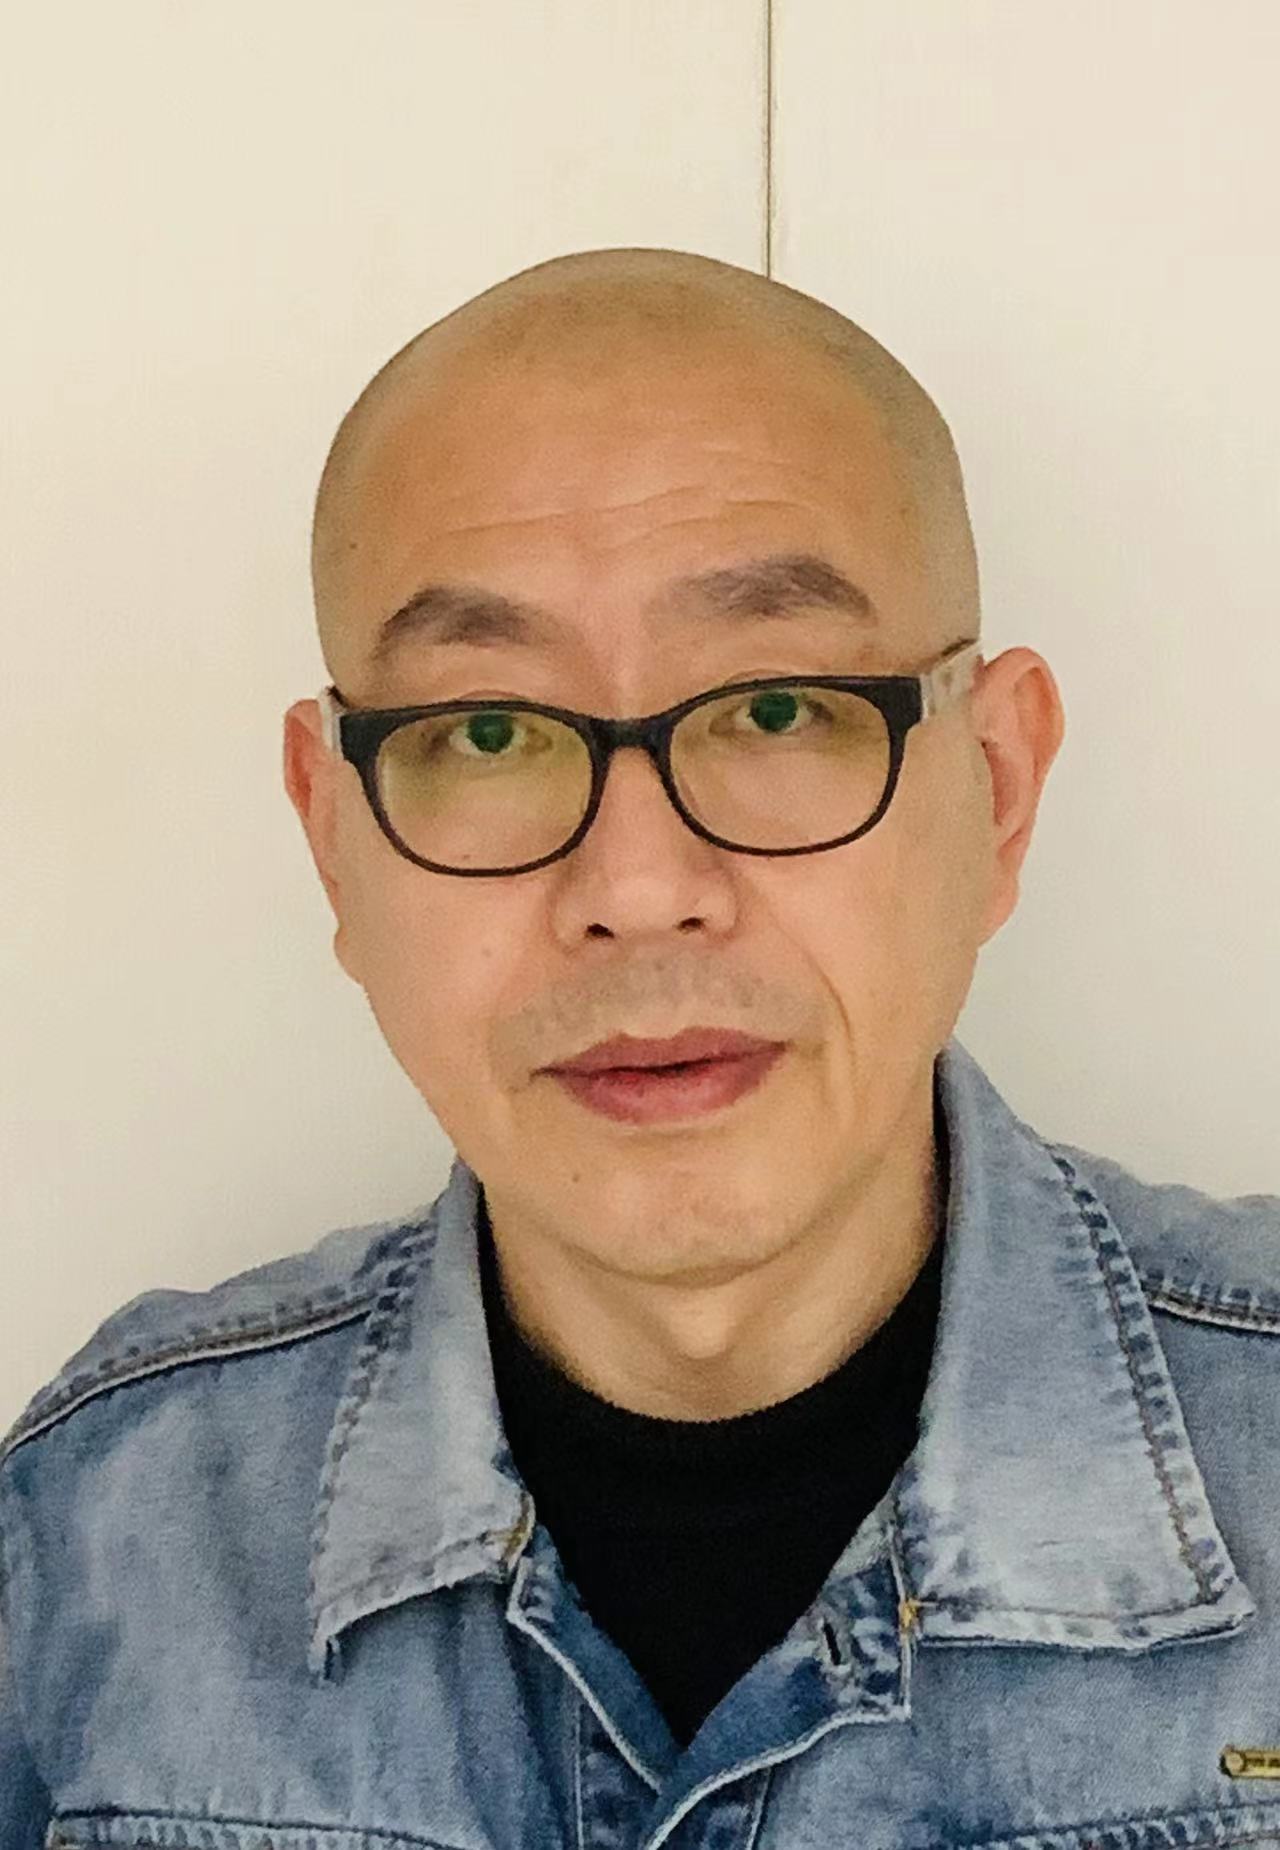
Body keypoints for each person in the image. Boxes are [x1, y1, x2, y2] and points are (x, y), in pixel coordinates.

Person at [3, 248, 1278, 1848]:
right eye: (486, 730)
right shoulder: (93, 1547)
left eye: (776, 709)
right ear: (334, 838)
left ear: (999, 789)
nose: (638, 887)